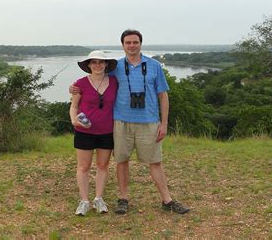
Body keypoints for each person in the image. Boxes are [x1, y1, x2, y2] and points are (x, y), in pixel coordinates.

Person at [71, 30, 189, 215]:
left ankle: (167, 200)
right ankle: (123, 198)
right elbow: (95, 79)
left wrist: (163, 123)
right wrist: (74, 88)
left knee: (155, 162)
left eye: (135, 42)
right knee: (122, 161)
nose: (132, 45)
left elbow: (163, 96)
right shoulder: (115, 67)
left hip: (149, 121)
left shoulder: (154, 65)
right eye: (128, 42)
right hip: (121, 122)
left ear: (141, 43)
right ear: (123, 45)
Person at [69, 50, 118, 216]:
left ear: (106, 64)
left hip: (107, 131)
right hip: (84, 131)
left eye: (101, 62)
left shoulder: (114, 82)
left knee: (103, 166)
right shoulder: (80, 84)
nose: (97, 65)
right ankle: (84, 201)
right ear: (89, 65)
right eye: (94, 62)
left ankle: (98, 198)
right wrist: (74, 120)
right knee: (84, 167)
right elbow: (74, 106)